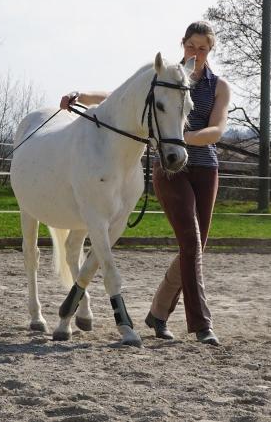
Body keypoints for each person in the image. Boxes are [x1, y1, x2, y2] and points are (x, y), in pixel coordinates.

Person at [60, 21, 230, 347]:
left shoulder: (218, 86)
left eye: (203, 48)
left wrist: (180, 138)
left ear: (210, 51)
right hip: (169, 170)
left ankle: (158, 313)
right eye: (192, 46)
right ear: (183, 45)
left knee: (193, 249)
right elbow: (119, 96)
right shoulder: (163, 76)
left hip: (205, 169)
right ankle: (201, 324)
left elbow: (217, 130)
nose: (196, 52)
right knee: (191, 245)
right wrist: (82, 95)